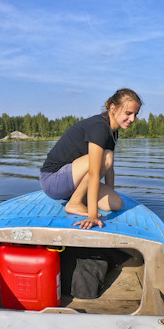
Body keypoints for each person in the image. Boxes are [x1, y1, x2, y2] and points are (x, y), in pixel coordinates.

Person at [39, 88, 142, 230]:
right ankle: (74, 202)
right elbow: (95, 171)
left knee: (116, 203)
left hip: (72, 181)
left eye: (135, 114)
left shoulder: (113, 131)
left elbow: (109, 169)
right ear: (113, 108)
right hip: (52, 180)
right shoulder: (99, 127)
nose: (133, 119)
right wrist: (92, 215)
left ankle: (75, 198)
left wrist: (110, 191)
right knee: (107, 157)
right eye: (128, 113)